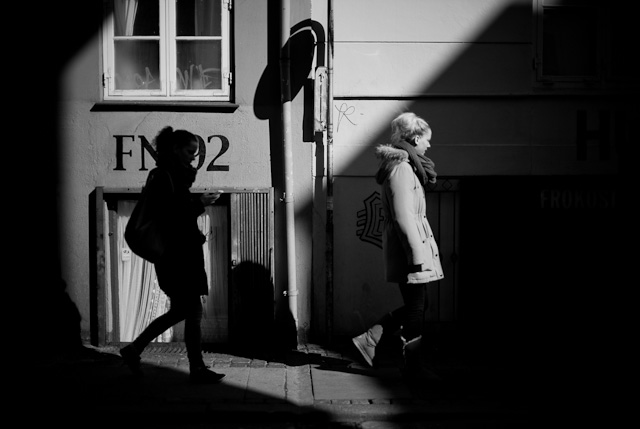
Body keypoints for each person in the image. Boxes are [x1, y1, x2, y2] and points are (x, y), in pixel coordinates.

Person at [120, 126, 225, 384]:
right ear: (176, 149)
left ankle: (134, 350)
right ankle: (196, 368)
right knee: (191, 311)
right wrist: (200, 204)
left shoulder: (173, 176)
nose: (193, 157)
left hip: (180, 255)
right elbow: (171, 218)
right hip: (175, 257)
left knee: (182, 310)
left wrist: (197, 203)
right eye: (190, 152)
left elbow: (177, 211)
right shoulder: (163, 176)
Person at [352, 112, 444, 373]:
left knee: (419, 305)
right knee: (416, 309)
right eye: (426, 140)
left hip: (411, 248)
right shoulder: (402, 169)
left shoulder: (408, 167)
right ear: (415, 139)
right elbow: (404, 217)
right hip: (410, 251)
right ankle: (411, 365)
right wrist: (417, 256)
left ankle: (371, 339)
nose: (429, 145)